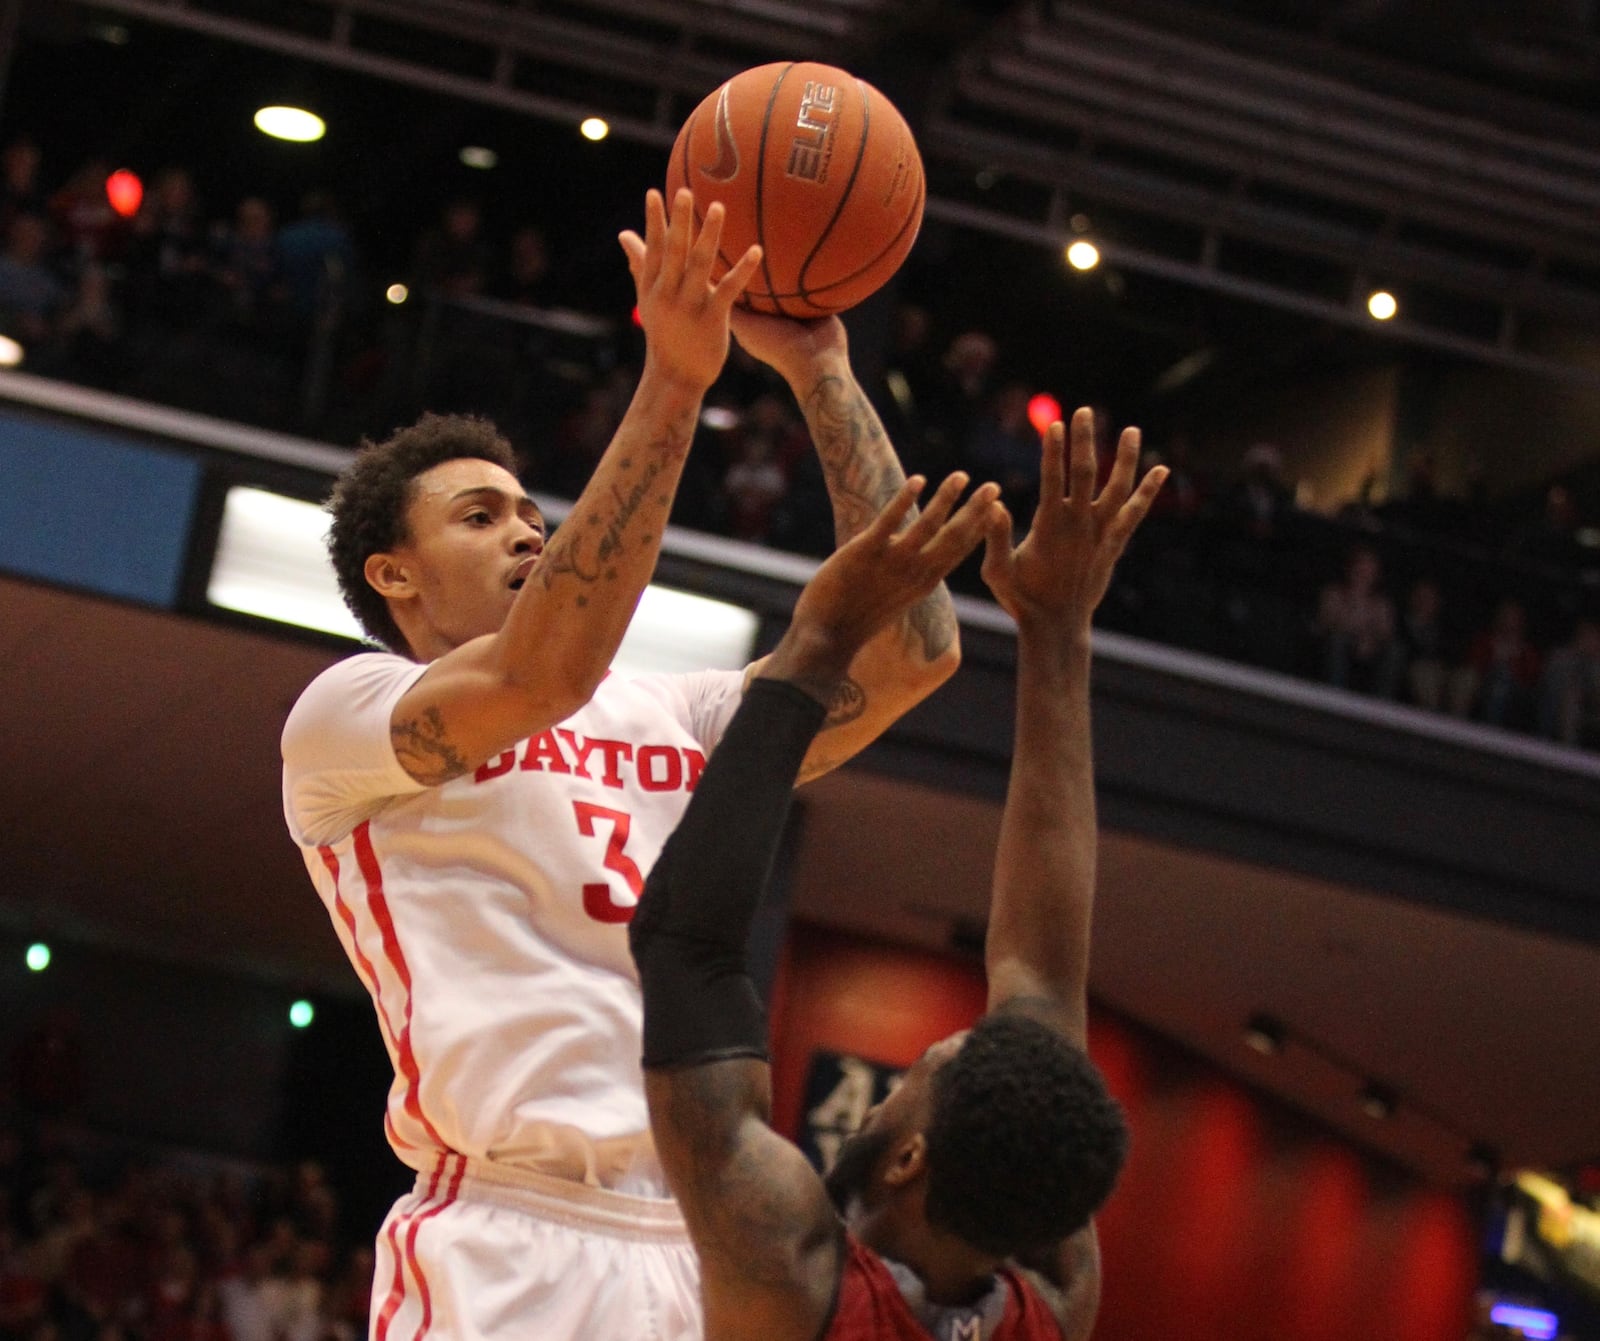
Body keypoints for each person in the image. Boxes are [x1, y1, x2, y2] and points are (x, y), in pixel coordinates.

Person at [280, 188, 979, 1341]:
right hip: (510, 1235)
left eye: (528, 513)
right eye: (477, 516)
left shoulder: (679, 713)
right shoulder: (349, 719)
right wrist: (674, 380)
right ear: (393, 575)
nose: (525, 530)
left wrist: (820, 370)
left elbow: (916, 653)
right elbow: (542, 673)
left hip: (704, 1244)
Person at [632, 408, 1165, 1340]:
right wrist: (1056, 628)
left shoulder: (794, 1279)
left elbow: (688, 944)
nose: (892, 1082)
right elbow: (1040, 979)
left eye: (917, 1070)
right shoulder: (1048, 1305)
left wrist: (822, 640)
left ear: (908, 1157)